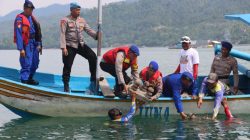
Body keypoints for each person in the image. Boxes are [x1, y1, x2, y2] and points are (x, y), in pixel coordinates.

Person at [60, 2, 98, 92]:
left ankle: (93, 79)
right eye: (77, 10)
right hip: (69, 45)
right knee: (67, 65)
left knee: (93, 57)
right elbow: (62, 34)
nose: (78, 12)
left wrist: (96, 36)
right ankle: (66, 84)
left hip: (80, 44)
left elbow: (88, 30)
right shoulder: (65, 20)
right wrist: (63, 48)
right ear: (71, 10)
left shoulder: (82, 20)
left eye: (79, 10)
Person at [14, 0, 42, 85]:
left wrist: (40, 44)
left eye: (32, 9)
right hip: (26, 44)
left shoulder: (32, 18)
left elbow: (38, 32)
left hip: (35, 43)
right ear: (25, 8)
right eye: (29, 9)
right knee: (26, 63)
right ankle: (24, 80)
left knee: (35, 62)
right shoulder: (20, 19)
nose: (30, 11)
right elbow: (19, 34)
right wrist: (21, 48)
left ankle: (30, 78)